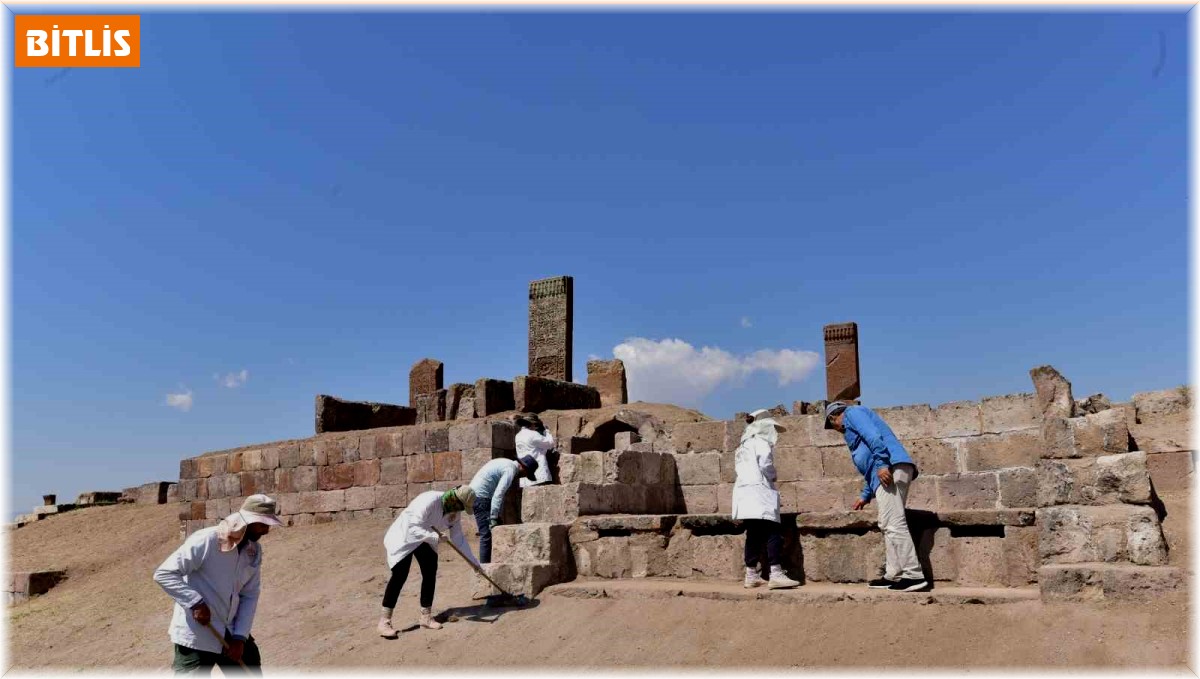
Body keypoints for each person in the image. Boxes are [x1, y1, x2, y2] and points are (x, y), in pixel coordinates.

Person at [153, 494, 283, 675]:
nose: (266, 531)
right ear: (249, 521)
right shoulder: (207, 540)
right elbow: (164, 573)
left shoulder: (254, 551)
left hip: (232, 630)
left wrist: (240, 638)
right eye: (263, 524)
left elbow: (250, 594)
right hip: (196, 634)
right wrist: (195, 603)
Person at [826, 401, 927, 592]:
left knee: (894, 523)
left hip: (890, 468)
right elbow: (869, 466)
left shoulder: (852, 413)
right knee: (886, 523)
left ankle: (914, 575)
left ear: (834, 418)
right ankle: (893, 575)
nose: (837, 431)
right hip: (888, 470)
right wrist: (866, 494)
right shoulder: (852, 422)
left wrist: (882, 464)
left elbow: (874, 437)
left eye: (833, 427)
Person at [378, 485, 479, 638]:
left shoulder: (455, 512)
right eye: (461, 506)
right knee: (400, 575)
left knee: (430, 572)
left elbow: (458, 538)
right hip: (404, 537)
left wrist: (473, 562)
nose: (461, 511)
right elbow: (413, 527)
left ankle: (425, 616)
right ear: (455, 499)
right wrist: (435, 538)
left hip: (426, 540)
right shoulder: (429, 499)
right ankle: (384, 621)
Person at [732, 410, 800, 590]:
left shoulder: (743, 446)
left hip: (744, 492)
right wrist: (773, 476)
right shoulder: (761, 442)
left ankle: (751, 574)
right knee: (773, 531)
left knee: (753, 533)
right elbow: (765, 464)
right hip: (760, 490)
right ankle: (776, 573)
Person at [468, 454, 538, 563]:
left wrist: (496, 515)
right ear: (523, 468)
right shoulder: (510, 470)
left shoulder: (505, 462)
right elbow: (499, 493)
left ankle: (494, 564)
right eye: (526, 474)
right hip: (481, 498)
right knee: (486, 535)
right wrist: (493, 517)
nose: (523, 477)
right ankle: (485, 570)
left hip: (476, 496)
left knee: (492, 532)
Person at [516, 414, 555, 489]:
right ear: (532, 424)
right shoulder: (533, 434)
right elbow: (550, 444)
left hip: (525, 475)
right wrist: (547, 432)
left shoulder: (518, 435)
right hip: (538, 474)